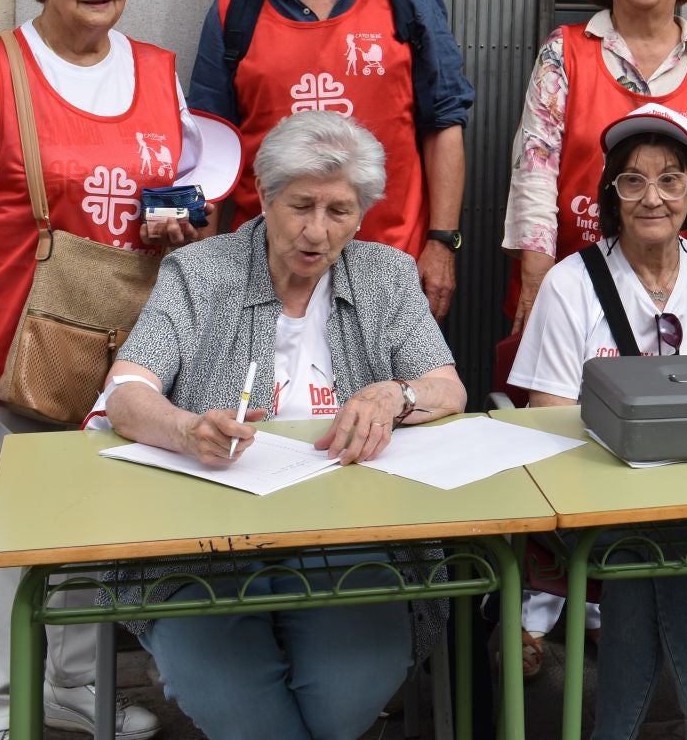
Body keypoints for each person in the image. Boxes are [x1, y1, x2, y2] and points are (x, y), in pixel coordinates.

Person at [103, 111, 466, 740]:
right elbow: (127, 392)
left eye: (340, 211)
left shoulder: (387, 276)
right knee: (235, 706)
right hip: (207, 545)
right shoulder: (200, 272)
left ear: (362, 213)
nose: (317, 232)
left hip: (352, 539)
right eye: (301, 206)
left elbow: (448, 389)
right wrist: (187, 429)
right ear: (266, 197)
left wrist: (393, 395)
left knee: (347, 696)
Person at [0, 0, 197, 740]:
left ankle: (73, 694)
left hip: (128, 349)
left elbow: (185, 196)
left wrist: (185, 219)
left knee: (93, 536)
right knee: (2, 544)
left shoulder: (158, 71)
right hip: (22, 346)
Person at [502, 0, 687, 673]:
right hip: (579, 279)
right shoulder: (567, 50)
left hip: (673, 279)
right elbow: (536, 165)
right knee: (564, 431)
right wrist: (536, 281)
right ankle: (544, 607)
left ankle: (618, 609)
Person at [509, 104, 687, 740]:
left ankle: (616, 731)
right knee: (660, 537)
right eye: (633, 180)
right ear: (611, 194)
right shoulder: (571, 284)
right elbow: (549, 418)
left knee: (663, 536)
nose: (653, 197)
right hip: (594, 498)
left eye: (670, 178)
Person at [187, 0, 474, 319]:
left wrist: (442, 243)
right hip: (266, 276)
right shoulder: (234, 8)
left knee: (394, 397)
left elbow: (443, 123)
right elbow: (209, 151)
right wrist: (200, 271)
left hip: (390, 267)